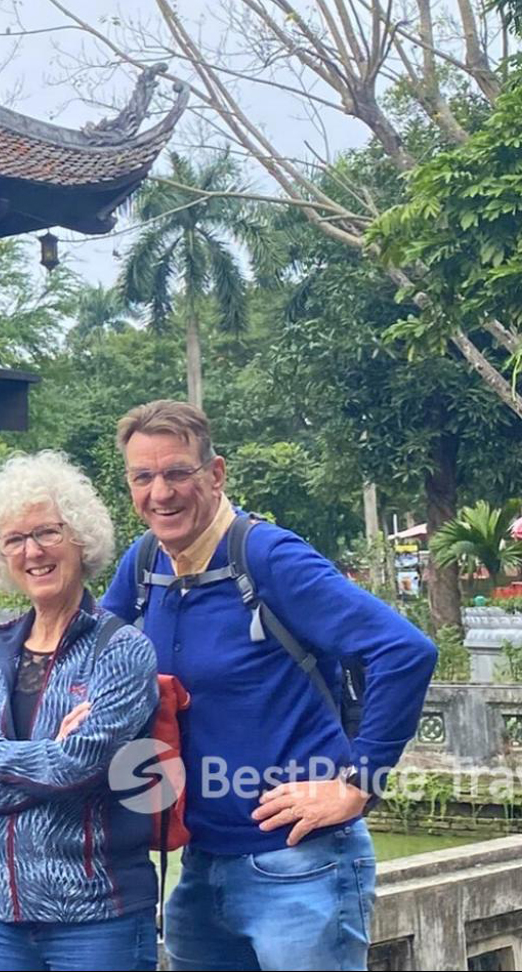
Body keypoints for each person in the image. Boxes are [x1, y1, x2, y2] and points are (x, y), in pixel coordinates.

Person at [100, 400, 437, 971]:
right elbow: (95, 657)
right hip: (201, 867)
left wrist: (360, 782)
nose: (161, 493)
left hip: (300, 864)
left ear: (215, 473)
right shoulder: (144, 565)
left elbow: (404, 651)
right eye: (143, 477)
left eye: (178, 472)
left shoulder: (267, 556)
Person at [0, 451, 161, 972]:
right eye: (14, 539)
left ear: (81, 539)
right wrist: (45, 754)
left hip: (99, 916)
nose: (32, 551)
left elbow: (77, 765)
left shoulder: (121, 650)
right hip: (1, 916)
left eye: (47, 533)